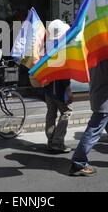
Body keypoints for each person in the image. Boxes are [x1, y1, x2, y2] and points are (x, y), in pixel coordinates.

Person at [43, 19, 74, 153]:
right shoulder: (61, 48)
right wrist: (68, 90)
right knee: (66, 112)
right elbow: (63, 72)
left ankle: (51, 140)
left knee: (51, 112)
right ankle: (57, 142)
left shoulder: (47, 45)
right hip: (59, 87)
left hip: (48, 85)